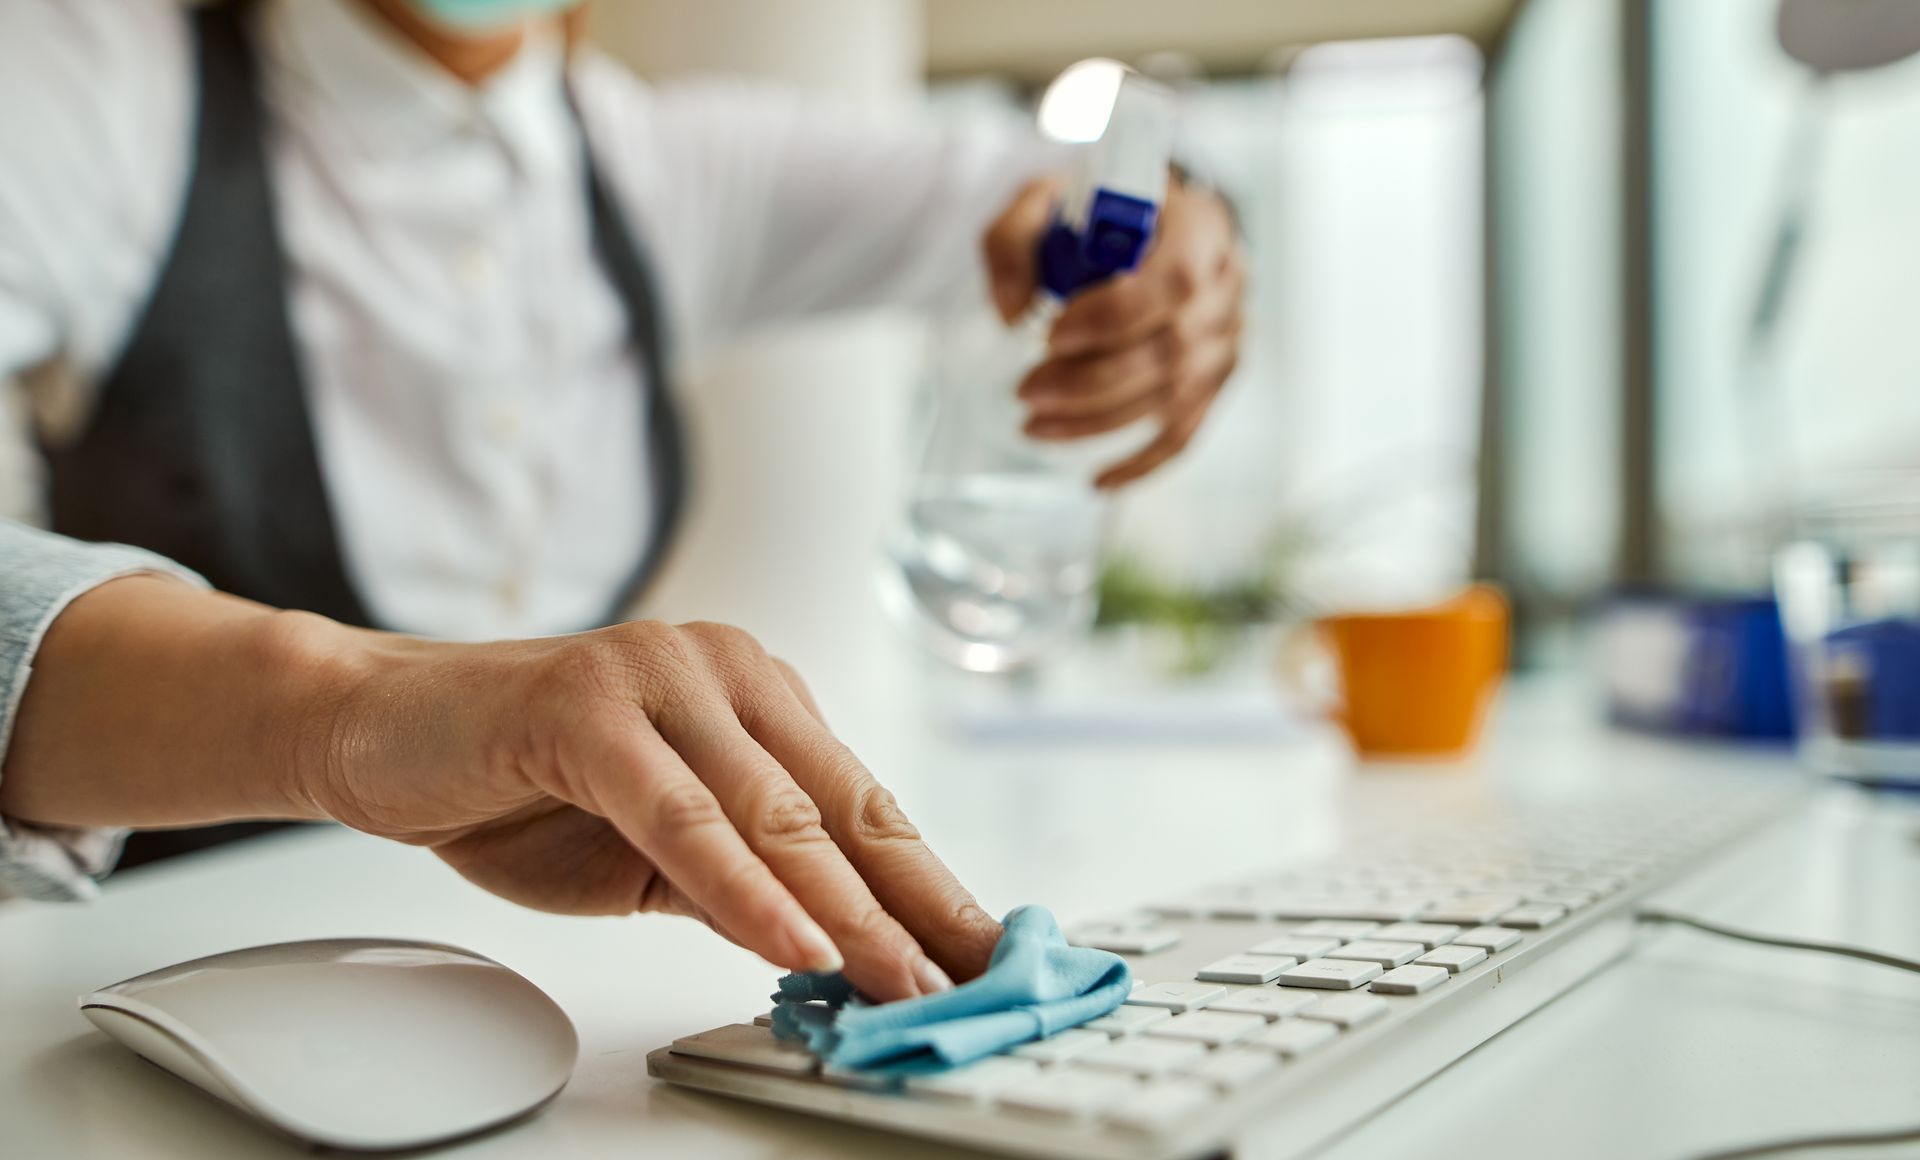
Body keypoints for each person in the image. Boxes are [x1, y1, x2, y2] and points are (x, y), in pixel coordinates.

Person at [0, 0, 1244, 995]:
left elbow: (1050, 186)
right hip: (127, 991)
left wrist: (1181, 232)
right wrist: (353, 709)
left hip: (549, 993)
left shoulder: (657, 161)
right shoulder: (86, 80)